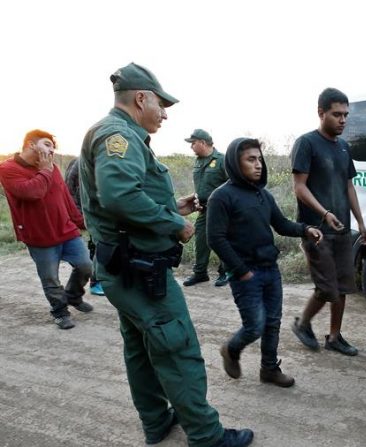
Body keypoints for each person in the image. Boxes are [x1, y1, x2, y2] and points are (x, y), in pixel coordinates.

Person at [78, 62, 252, 447]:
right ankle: (207, 436)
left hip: (124, 266)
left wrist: (174, 209)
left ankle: (157, 421)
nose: (165, 113)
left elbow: (122, 203)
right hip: (139, 271)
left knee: (140, 348)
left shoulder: (119, 134)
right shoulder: (117, 135)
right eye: (161, 103)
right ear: (141, 98)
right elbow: (120, 196)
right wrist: (174, 225)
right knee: (177, 346)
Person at [207, 137, 323, 387]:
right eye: (251, 159)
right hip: (245, 274)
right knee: (255, 326)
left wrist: (305, 229)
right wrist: (240, 270)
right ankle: (231, 349)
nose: (258, 164)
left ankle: (269, 369)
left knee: (272, 323)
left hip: (270, 270)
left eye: (259, 159)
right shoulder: (222, 197)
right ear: (236, 163)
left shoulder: (263, 195)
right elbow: (215, 238)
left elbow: (281, 225)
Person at [289, 87, 366, 357]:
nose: (343, 120)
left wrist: (360, 221)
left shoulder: (344, 147)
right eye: (337, 114)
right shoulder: (307, 143)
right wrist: (324, 213)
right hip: (316, 231)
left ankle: (334, 337)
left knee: (344, 285)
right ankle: (302, 323)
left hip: (343, 228)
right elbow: (299, 187)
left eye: (346, 115)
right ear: (321, 113)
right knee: (327, 288)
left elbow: (348, 187)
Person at [0, 129, 94, 330]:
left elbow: (65, 198)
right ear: (30, 144)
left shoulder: (51, 168)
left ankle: (73, 295)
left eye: (53, 147)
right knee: (50, 278)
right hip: (39, 236)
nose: (51, 151)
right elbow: (33, 192)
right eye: (47, 145)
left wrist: (82, 222)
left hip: (66, 231)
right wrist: (45, 170)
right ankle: (60, 312)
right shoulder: (8, 169)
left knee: (86, 265)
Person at [183, 129, 229, 288]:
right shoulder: (198, 161)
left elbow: (232, 185)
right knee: (201, 240)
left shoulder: (222, 160)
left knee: (220, 240)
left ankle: (225, 272)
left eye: (193, 143)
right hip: (202, 209)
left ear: (202, 143)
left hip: (220, 210)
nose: (191, 147)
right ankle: (200, 273)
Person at [64, 157, 104, 296]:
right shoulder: (79, 163)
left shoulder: (101, 162)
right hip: (83, 214)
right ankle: (94, 282)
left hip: (95, 213)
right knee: (93, 249)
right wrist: (79, 217)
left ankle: (95, 281)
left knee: (96, 246)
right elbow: (69, 191)